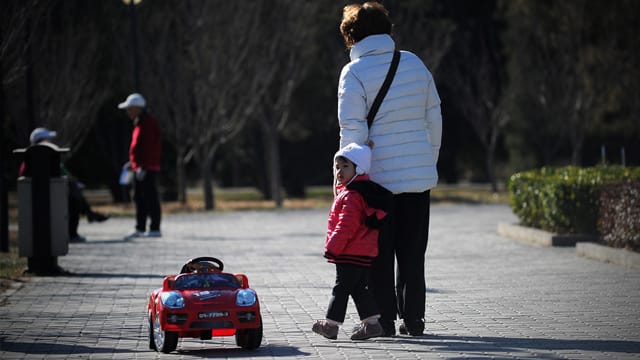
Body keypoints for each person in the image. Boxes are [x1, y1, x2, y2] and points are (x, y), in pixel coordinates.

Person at [336, 2, 443, 337]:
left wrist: (344, 180)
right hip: (417, 178)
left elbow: (352, 132)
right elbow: (434, 117)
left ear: (352, 35)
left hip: (376, 182)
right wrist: (428, 159)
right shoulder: (413, 63)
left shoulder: (353, 73)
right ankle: (415, 319)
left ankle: (383, 320)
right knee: (413, 254)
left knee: (377, 253)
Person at [312, 143, 391, 341]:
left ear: (360, 168)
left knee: (341, 289)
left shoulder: (352, 195)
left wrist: (333, 248)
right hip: (362, 252)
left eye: (345, 166)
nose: (339, 171)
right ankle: (372, 325)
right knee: (358, 289)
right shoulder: (358, 191)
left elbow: (347, 226)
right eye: (337, 167)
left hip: (349, 251)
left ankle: (330, 326)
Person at [20, 127, 110, 243]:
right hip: (45, 192)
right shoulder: (37, 155)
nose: (51, 142)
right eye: (48, 139)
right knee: (75, 199)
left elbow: (62, 173)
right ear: (40, 140)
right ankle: (86, 218)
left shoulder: (49, 154)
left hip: (55, 189)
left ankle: (88, 215)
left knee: (75, 195)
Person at [118, 93, 162, 239]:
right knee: (139, 197)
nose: (128, 112)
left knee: (150, 197)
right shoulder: (140, 123)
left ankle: (154, 228)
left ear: (138, 108)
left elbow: (149, 147)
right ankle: (140, 227)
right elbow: (139, 148)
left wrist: (142, 165)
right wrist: (134, 163)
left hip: (146, 168)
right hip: (141, 167)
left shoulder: (147, 123)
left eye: (130, 108)